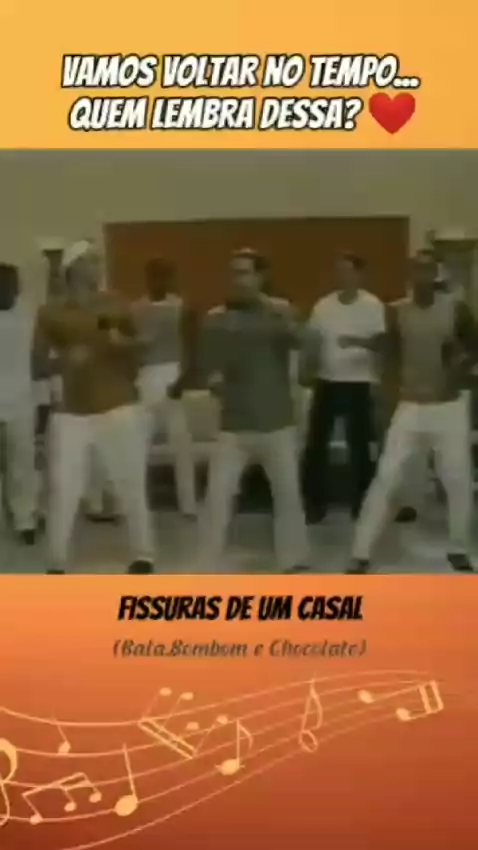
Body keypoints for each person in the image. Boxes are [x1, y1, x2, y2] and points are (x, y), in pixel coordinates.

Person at [350, 250, 477, 574]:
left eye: (427, 269)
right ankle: (360, 552)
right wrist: (385, 395)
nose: (421, 276)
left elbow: (474, 349)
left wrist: (459, 368)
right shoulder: (397, 311)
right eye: (415, 270)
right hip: (410, 406)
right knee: (386, 476)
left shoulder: (456, 309)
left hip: (448, 408)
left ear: (436, 273)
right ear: (410, 275)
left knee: (458, 480)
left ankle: (459, 548)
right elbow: (391, 354)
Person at [32, 240, 155, 574]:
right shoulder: (51, 312)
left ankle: (143, 555)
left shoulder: (115, 303)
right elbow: (37, 366)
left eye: (98, 261)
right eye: (90, 261)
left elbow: (144, 346)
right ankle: (56, 562)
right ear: (73, 268)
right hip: (71, 413)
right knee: (64, 488)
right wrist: (63, 361)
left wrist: (122, 343)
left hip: (118, 406)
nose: (98, 267)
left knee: (130, 482)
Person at [196, 247, 310, 573]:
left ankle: (293, 559)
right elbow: (207, 365)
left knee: (287, 495)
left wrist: (286, 319)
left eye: (245, 273)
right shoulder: (216, 318)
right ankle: (206, 563)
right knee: (217, 498)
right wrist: (214, 379)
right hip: (234, 425)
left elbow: (304, 343)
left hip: (276, 422)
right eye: (234, 273)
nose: (239, 280)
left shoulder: (279, 311)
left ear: (260, 277)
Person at [302, 252, 385, 523]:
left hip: (358, 382)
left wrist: (357, 342)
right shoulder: (323, 305)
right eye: (338, 271)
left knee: (358, 445)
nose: (342, 276)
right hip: (326, 380)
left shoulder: (372, 305)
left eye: (348, 271)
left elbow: (381, 342)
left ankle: (362, 503)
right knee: (316, 443)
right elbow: (312, 339)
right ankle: (314, 504)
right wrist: (307, 366)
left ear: (359, 275)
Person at [133, 258, 197, 517]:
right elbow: (131, 347)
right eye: (155, 276)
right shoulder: (136, 308)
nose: (160, 281)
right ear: (147, 278)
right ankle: (137, 504)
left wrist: (182, 380)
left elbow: (192, 347)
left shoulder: (182, 307)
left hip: (172, 374)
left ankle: (188, 504)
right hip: (144, 376)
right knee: (138, 446)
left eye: (165, 276)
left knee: (181, 444)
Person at [0, 263, 39, 542]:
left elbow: (38, 356)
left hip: (21, 401)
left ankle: (25, 520)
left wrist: (45, 399)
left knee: (22, 464)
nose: (9, 289)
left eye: (12, 284)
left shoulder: (29, 314)